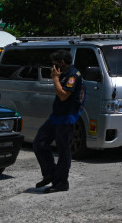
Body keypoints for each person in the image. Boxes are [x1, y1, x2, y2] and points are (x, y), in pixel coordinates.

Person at [34, 49, 85, 193]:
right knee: (39, 143)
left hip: (66, 118)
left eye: (55, 64)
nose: (53, 67)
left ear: (61, 63)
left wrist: (55, 79)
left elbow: (63, 96)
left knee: (63, 150)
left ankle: (61, 182)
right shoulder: (64, 74)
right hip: (56, 116)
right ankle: (50, 173)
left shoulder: (73, 76)